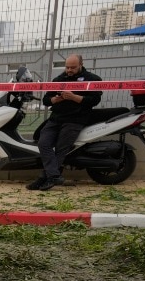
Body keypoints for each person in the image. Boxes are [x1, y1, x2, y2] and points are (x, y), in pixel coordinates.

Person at [27, 54, 102, 191]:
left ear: (81, 64)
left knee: (62, 148)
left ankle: (45, 177)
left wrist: (74, 97)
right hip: (56, 118)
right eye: (67, 67)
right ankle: (53, 176)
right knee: (43, 142)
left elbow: (94, 100)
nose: (69, 70)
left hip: (76, 119)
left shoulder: (92, 79)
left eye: (73, 67)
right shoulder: (59, 80)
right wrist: (56, 99)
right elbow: (46, 100)